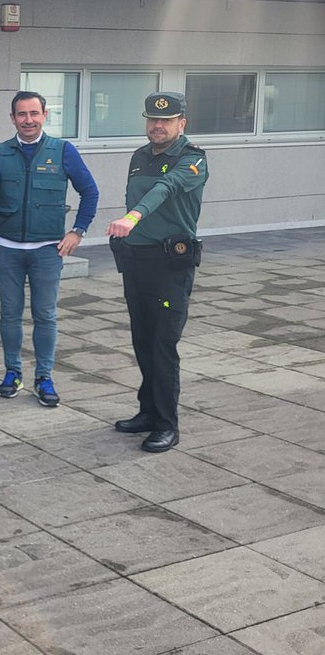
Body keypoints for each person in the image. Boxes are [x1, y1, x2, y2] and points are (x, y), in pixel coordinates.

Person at [0, 90, 99, 407]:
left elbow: (90, 192)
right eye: (21, 114)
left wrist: (77, 232)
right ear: (12, 118)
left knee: (45, 315)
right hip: (6, 248)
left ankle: (44, 377)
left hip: (47, 250)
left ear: (44, 116)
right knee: (10, 314)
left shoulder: (63, 151)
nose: (28, 120)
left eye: (34, 113)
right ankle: (12, 373)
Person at [107, 92, 208, 453]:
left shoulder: (193, 159)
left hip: (170, 265)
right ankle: (148, 412)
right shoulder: (140, 156)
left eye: (166, 120)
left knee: (163, 346)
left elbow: (165, 190)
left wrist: (133, 217)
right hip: (136, 261)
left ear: (182, 123)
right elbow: (131, 196)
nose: (157, 126)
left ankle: (167, 424)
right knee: (143, 342)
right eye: (152, 120)